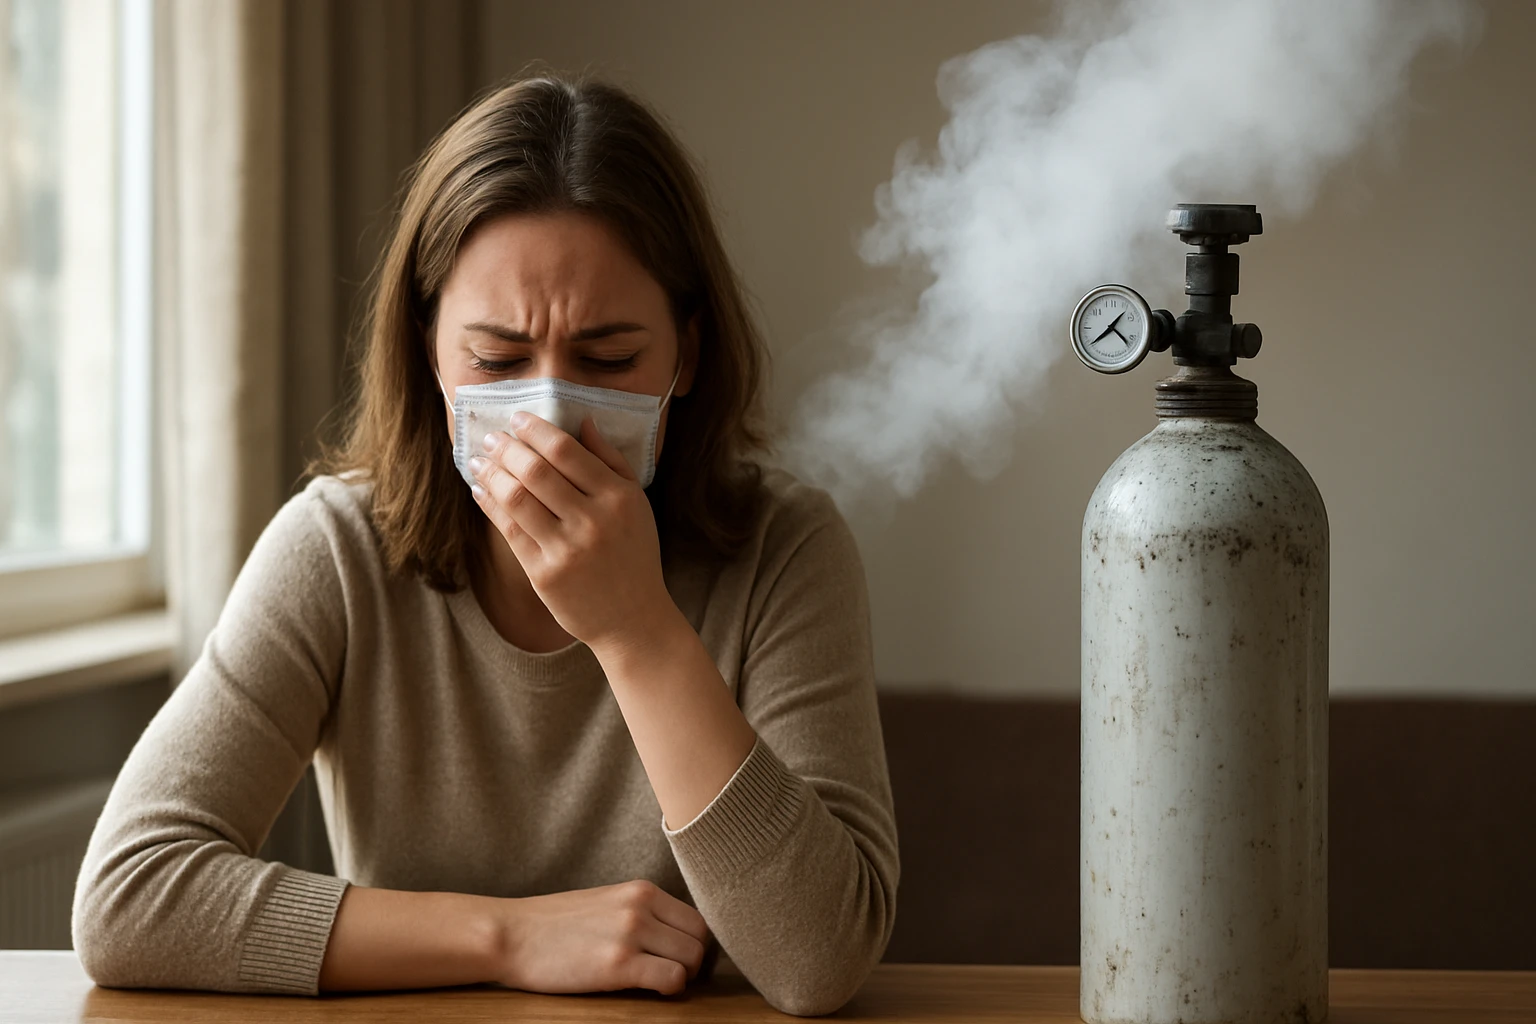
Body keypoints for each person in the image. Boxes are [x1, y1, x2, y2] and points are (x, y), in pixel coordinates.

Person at [70, 75, 898, 1017]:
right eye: (498, 363)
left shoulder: (786, 549)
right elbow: (130, 897)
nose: (548, 412)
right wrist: (510, 936)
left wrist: (636, 631)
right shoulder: (336, 550)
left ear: (687, 357)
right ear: (430, 354)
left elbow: (819, 961)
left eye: (609, 359)